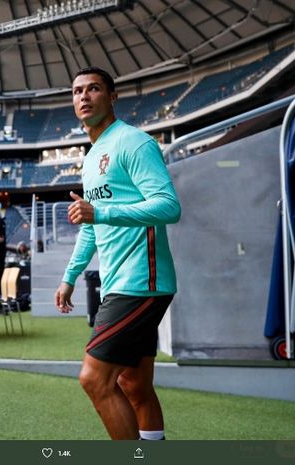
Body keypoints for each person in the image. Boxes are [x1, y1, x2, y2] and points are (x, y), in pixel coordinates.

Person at [54, 66, 181, 440]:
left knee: (94, 379)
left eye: (93, 88)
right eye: (77, 91)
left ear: (112, 96)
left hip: (141, 280)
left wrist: (102, 211)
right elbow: (92, 227)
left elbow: (169, 206)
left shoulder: (134, 142)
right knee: (133, 386)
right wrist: (69, 277)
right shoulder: (93, 157)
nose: (83, 96)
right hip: (117, 283)